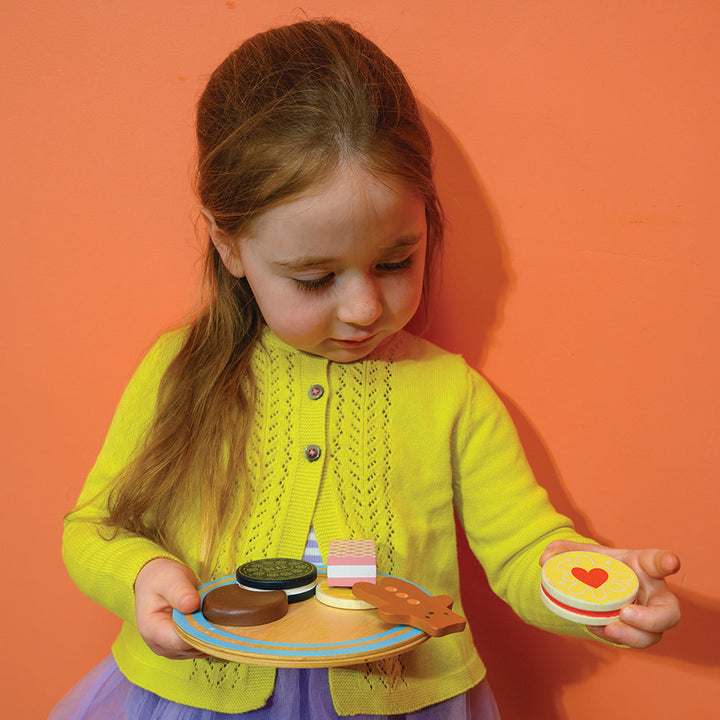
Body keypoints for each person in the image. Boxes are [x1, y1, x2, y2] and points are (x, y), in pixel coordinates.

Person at [52, 18, 681, 720]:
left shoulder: (450, 394)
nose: (363, 307)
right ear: (231, 249)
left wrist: (593, 592)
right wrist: (141, 575)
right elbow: (94, 529)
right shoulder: (178, 371)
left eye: (394, 261)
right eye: (315, 278)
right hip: (197, 697)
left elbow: (524, 549)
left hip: (404, 701)